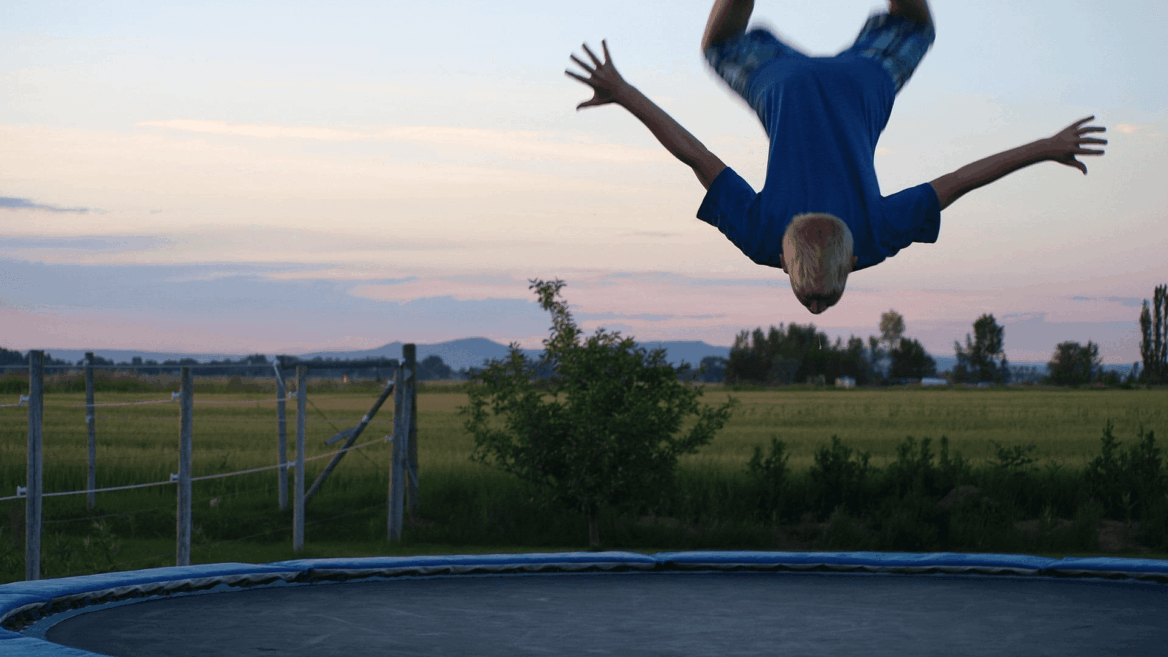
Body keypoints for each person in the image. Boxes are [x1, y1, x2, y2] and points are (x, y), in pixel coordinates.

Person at [566, 0, 1107, 314]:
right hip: (784, 86)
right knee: (717, 45)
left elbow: (960, 179)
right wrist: (624, 92)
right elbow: (696, 156)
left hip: (863, 84)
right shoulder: (761, 238)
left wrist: (1047, 147)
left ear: (849, 263)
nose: (817, 309)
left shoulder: (875, 237)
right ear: (787, 260)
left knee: (916, 26)